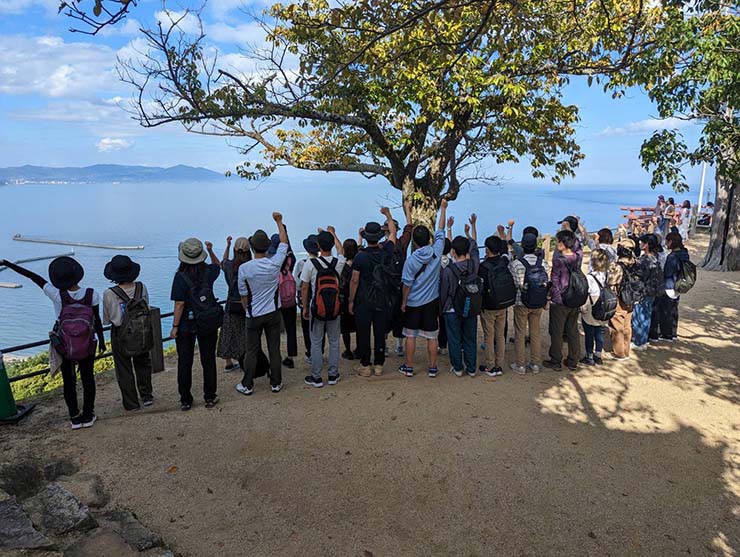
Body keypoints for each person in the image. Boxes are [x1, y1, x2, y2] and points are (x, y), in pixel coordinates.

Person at [1, 257, 105, 429]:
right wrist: (101, 342)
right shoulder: (92, 294)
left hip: (64, 344)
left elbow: (33, 277)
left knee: (69, 381)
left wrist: (7, 263)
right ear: (77, 275)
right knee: (88, 379)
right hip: (87, 343)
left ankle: (74, 418)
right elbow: (97, 320)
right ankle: (88, 415)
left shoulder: (57, 294)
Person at [236, 212, 289, 396]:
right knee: (274, 349)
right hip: (273, 312)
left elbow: (243, 294)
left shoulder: (244, 269)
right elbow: (284, 244)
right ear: (267, 247)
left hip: (253, 315)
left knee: (251, 351)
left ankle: (247, 384)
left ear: (252, 247)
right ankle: (276, 382)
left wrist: (247, 310)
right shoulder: (274, 264)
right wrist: (279, 222)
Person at [170, 238, 222, 411]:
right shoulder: (209, 271)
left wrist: (175, 326)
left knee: (185, 362)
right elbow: (218, 265)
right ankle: (210, 396)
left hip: (186, 325)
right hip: (207, 321)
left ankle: (186, 399)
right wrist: (211, 250)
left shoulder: (180, 277)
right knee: (208, 360)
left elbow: (179, 304)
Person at [398, 199, 447, 378]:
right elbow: (441, 231)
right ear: (428, 239)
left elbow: (407, 285)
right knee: (432, 336)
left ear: (415, 242)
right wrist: (442, 209)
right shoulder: (436, 251)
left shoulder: (410, 261)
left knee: (410, 335)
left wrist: (404, 302)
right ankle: (432, 367)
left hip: (413, 303)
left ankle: (409, 366)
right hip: (431, 301)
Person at [349, 207, 397, 377]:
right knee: (379, 331)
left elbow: (354, 280)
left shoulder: (360, 257)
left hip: (363, 299)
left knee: (363, 332)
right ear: (379, 237)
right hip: (382, 298)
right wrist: (388, 215)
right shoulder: (386, 251)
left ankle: (365, 365)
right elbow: (392, 234)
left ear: (366, 237)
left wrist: (351, 300)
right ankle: (378, 364)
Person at [102, 255, 154, 411]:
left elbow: (107, 319)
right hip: (142, 330)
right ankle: (146, 396)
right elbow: (147, 306)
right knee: (143, 364)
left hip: (120, 333)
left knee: (124, 369)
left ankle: (131, 403)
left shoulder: (110, 293)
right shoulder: (141, 287)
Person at [301, 228, 345, 387]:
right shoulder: (338, 262)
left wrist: (305, 307)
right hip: (334, 308)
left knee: (316, 342)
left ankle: (316, 376)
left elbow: (305, 288)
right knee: (334, 341)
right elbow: (340, 250)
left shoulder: (310, 264)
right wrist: (333, 232)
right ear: (332, 244)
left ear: (318, 246)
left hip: (317, 308)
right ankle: (333, 375)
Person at [440, 214, 481, 377]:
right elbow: (475, 246)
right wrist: (470, 231)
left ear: (453, 252)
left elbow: (444, 291)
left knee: (454, 339)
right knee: (470, 338)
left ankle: (457, 367)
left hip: (452, 308)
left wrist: (443, 307)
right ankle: (471, 368)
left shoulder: (450, 270)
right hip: (471, 305)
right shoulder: (474, 264)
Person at [507, 232, 548, 374]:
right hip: (538, 302)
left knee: (520, 333)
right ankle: (535, 364)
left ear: (523, 246)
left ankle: (520, 365)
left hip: (521, 302)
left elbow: (514, 283)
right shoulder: (542, 263)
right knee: (535, 333)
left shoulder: (516, 264)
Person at [543, 229, 582, 371]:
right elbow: (579, 246)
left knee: (557, 331)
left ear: (563, 243)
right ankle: (573, 359)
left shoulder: (559, 261)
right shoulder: (577, 257)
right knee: (572, 330)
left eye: (559, 241)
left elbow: (554, 282)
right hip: (575, 298)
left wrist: (550, 297)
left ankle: (555, 360)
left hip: (560, 301)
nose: (557, 243)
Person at [478, 235, 515, 376]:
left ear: (486, 249)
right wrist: (504, 235)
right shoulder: (504, 261)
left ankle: (490, 365)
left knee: (489, 336)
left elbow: (481, 287)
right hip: (503, 304)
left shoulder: (483, 267)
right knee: (500, 335)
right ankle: (500, 365)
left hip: (489, 306)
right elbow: (506, 251)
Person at [217, 236, 251, 373]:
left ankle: (228, 362)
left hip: (231, 304)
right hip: (247, 304)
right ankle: (244, 359)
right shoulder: (250, 266)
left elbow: (223, 262)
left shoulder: (230, 266)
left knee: (228, 332)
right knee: (245, 333)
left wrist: (227, 246)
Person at [384, 200, 414, 357]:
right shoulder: (402, 244)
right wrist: (407, 209)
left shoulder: (382, 247)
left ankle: (385, 347)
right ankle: (399, 345)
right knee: (401, 315)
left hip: (386, 287)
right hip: (402, 285)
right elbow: (409, 227)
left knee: (385, 315)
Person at [269, 232, 298, 369]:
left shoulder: (272, 262)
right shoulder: (291, 260)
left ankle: (276, 356)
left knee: (274, 330)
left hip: (277, 301)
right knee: (291, 328)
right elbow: (290, 250)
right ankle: (290, 357)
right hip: (290, 300)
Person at [654, 231, 690, 342]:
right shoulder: (684, 253)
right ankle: (673, 333)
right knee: (673, 309)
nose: (666, 243)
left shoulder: (672, 257)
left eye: (667, 241)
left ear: (671, 242)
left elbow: (668, 273)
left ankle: (666, 334)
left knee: (665, 310)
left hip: (669, 285)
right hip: (679, 284)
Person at [631, 233, 662, 351]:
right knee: (646, 316)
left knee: (639, 316)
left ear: (647, 245)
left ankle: (638, 341)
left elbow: (639, 277)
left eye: (642, 242)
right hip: (652, 292)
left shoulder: (645, 260)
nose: (640, 244)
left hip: (643, 292)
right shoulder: (656, 258)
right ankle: (643, 340)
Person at [607, 238, 637, 360]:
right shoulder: (635, 263)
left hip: (619, 298)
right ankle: (626, 350)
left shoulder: (617, 266)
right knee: (627, 326)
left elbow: (611, 281)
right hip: (631, 298)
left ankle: (619, 353)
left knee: (617, 325)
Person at [580, 249, 610, 365]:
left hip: (592, 303)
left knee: (589, 333)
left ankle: (589, 356)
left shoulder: (590, 277)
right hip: (603, 304)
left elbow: (586, 292)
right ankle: (598, 354)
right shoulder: (606, 275)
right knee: (599, 332)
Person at [295, 234, 319, 362]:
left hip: (306, 301)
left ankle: (310, 353)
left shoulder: (302, 264)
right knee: (319, 328)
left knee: (306, 329)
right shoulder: (323, 262)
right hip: (319, 301)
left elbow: (298, 285)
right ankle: (319, 350)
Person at [340, 238, 358, 359]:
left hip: (344, 299)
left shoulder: (342, 266)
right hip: (357, 298)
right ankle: (358, 348)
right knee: (358, 326)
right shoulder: (359, 264)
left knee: (345, 328)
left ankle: (348, 350)